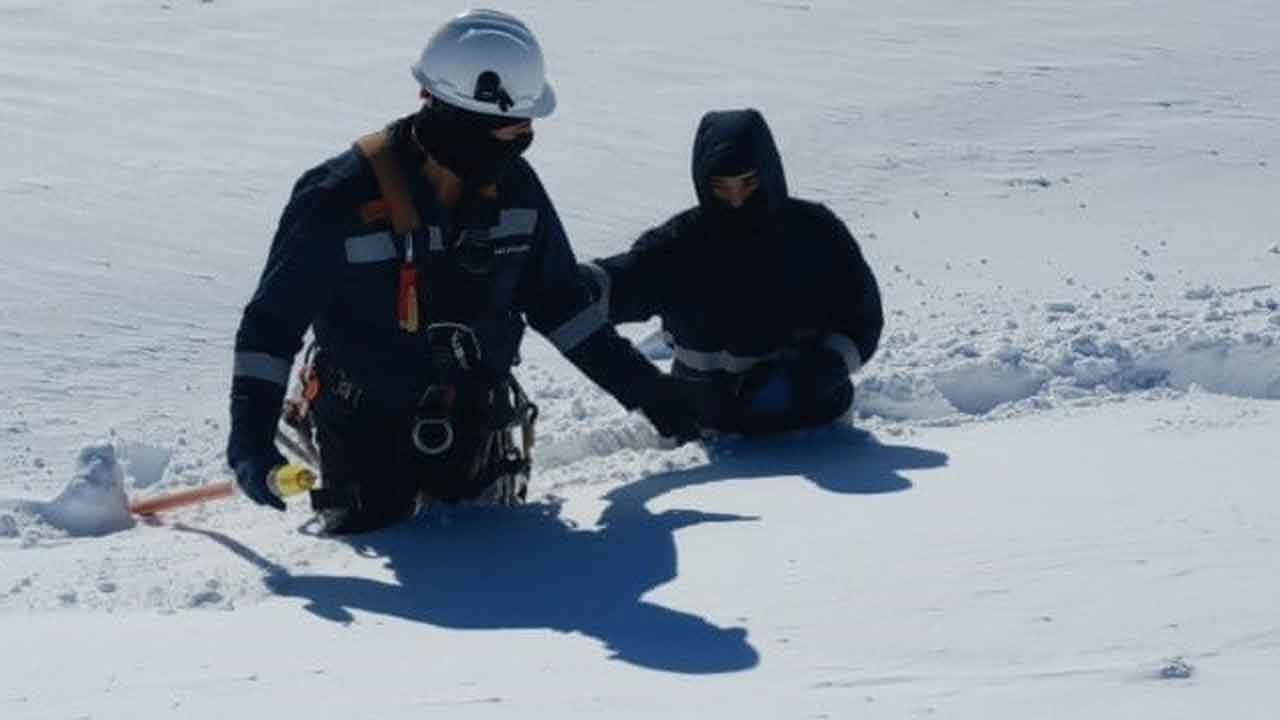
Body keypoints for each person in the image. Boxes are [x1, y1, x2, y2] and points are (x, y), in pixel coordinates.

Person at [226, 10, 699, 534]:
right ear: (455, 118)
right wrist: (250, 439)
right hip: (365, 418)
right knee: (377, 520)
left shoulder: (517, 192)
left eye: (528, 127)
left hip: (475, 411)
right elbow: (271, 326)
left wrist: (646, 390)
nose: (524, 140)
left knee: (486, 535)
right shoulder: (337, 198)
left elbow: (562, 306)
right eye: (510, 129)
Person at [579, 108, 883, 435]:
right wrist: (575, 283)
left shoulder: (815, 234)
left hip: (817, 427)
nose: (736, 199)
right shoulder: (681, 243)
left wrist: (818, 372)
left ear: (769, 172)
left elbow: (862, 317)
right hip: (714, 433)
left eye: (748, 183)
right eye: (721, 187)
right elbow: (628, 280)